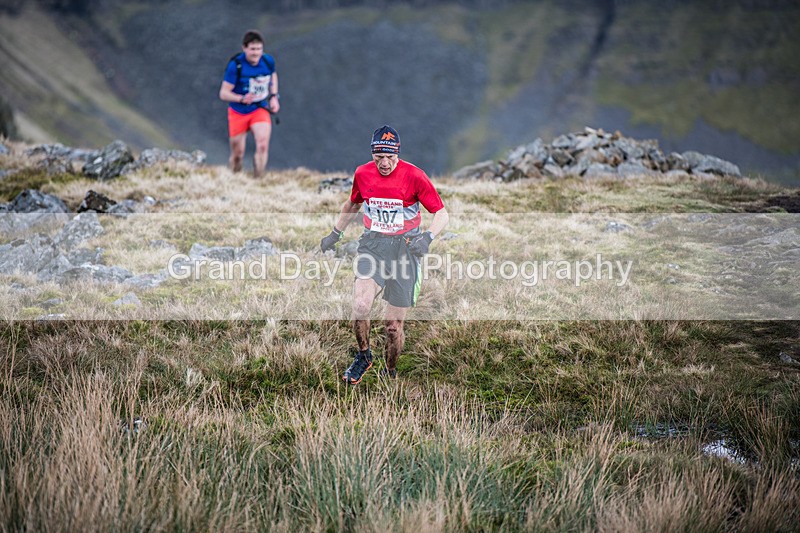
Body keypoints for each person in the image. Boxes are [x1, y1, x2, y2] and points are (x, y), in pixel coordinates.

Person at [320, 125, 449, 385]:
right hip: (373, 246)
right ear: (372, 154)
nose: (385, 163)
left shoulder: (415, 176)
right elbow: (353, 203)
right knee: (361, 306)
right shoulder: (363, 173)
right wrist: (335, 234)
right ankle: (364, 356)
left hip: (405, 251)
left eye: (390, 157)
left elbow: (441, 213)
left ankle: (390, 371)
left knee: (392, 326)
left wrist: (427, 238)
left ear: (397, 154)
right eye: (379, 157)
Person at [219, 30, 280, 178]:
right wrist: (241, 98)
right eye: (252, 49)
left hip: (259, 108)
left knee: (262, 144)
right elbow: (223, 93)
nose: (256, 53)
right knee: (238, 153)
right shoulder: (236, 65)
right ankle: (235, 179)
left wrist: (273, 97)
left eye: (259, 49)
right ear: (244, 48)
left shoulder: (267, 61)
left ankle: (258, 179)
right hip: (238, 112)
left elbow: (273, 76)